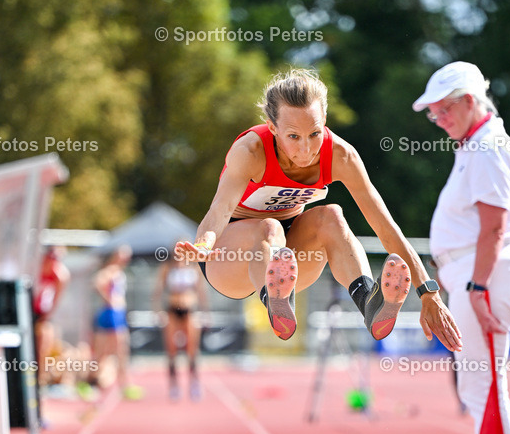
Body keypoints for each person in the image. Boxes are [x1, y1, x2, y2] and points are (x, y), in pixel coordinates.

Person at [176, 68, 462, 356]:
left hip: (289, 258)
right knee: (269, 229)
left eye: (314, 133)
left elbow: (385, 226)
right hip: (232, 260)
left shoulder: (341, 155)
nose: (306, 149)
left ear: (324, 121)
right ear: (272, 128)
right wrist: (204, 243)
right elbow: (219, 210)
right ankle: (273, 299)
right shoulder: (250, 151)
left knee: (332, 216)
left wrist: (429, 293)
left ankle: (369, 304)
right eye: (293, 136)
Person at [412, 61, 510, 434]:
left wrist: (477, 286)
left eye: (443, 109)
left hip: (486, 275)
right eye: (433, 113)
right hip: (474, 273)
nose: (438, 119)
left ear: (468, 102)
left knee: (484, 386)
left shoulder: (486, 147)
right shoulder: (475, 145)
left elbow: (494, 228)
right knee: (477, 385)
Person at [152, 243, 209, 401]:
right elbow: (158, 291)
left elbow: (201, 291)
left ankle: (194, 384)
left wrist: (205, 312)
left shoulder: (194, 268)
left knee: (192, 348)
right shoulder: (167, 268)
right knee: (171, 350)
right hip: (171, 310)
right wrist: (157, 311)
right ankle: (174, 386)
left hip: (189, 310)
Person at [92, 245, 142, 398]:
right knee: (119, 349)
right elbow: (97, 282)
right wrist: (109, 300)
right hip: (112, 312)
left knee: (109, 350)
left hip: (116, 313)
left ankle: (93, 381)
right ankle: (122, 384)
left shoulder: (119, 271)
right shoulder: (111, 270)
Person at [33, 246, 70, 387]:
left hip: (42, 312)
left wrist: (46, 316)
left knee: (44, 341)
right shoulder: (35, 268)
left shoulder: (60, 275)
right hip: (30, 309)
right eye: (52, 257)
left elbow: (56, 300)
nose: (54, 261)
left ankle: (40, 378)